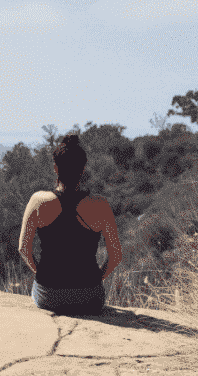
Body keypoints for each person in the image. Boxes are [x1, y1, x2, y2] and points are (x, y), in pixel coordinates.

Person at [18, 133, 122, 315]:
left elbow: (23, 249)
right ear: (82, 169)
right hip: (90, 298)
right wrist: (95, 280)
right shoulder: (100, 204)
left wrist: (43, 276)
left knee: (38, 291)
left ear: (55, 168)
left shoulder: (38, 200)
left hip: (49, 296)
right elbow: (115, 256)